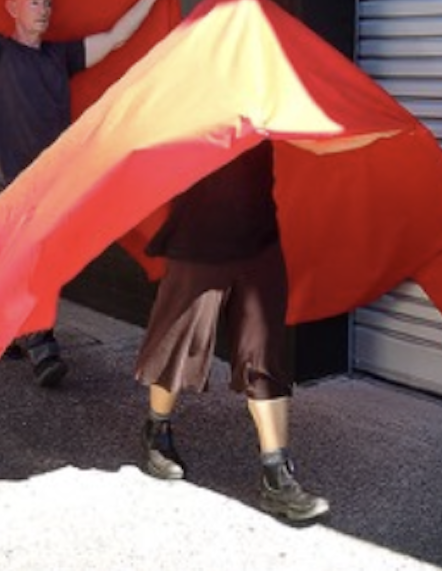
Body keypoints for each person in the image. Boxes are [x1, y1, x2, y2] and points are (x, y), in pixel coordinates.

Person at [0, 0, 177, 387]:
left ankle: (8, 328)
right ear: (12, 8)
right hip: (11, 178)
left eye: (47, 2)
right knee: (30, 261)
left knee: (35, 262)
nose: (43, 8)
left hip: (56, 180)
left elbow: (117, 38)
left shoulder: (59, 55)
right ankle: (42, 344)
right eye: (34, 1)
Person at [135, 141, 330, 523]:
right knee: (178, 343)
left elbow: (309, 130)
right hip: (197, 238)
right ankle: (156, 430)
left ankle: (277, 477)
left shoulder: (263, 95)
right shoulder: (186, 94)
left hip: (258, 241)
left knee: (265, 353)